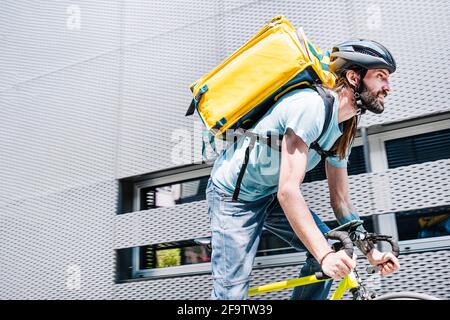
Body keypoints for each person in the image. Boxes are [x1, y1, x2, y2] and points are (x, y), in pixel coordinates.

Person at [205, 39, 401, 300]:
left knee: (333, 247)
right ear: (354, 77)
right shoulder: (311, 107)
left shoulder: (344, 128)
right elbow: (288, 191)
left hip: (268, 195)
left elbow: (340, 201)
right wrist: (325, 256)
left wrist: (371, 252)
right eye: (381, 77)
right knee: (231, 295)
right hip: (233, 198)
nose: (388, 87)